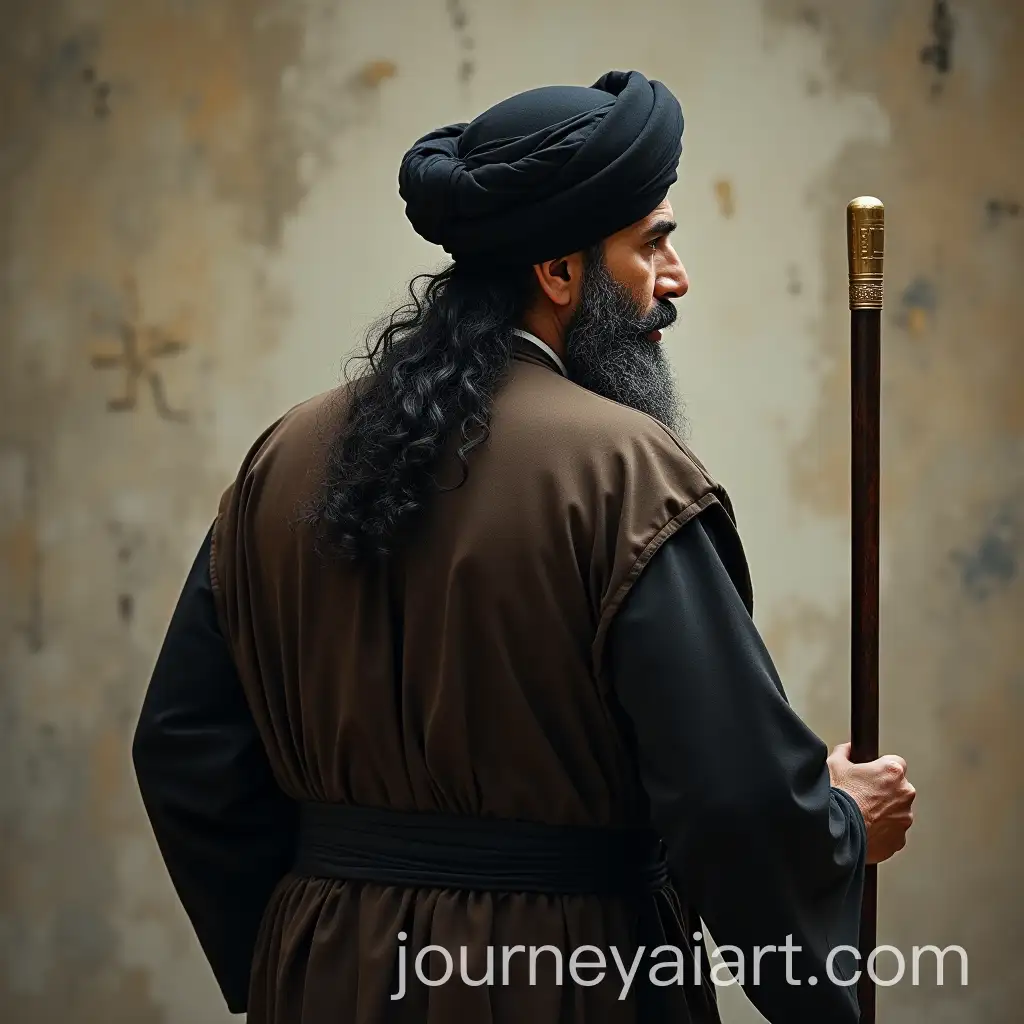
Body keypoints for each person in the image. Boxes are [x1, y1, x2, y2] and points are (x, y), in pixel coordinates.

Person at [132, 70, 916, 1023]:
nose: (675, 279)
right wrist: (839, 823)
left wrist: (300, 942)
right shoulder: (624, 473)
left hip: (323, 975)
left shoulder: (282, 455)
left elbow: (182, 747)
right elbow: (732, 803)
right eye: (653, 243)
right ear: (559, 271)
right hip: (563, 982)